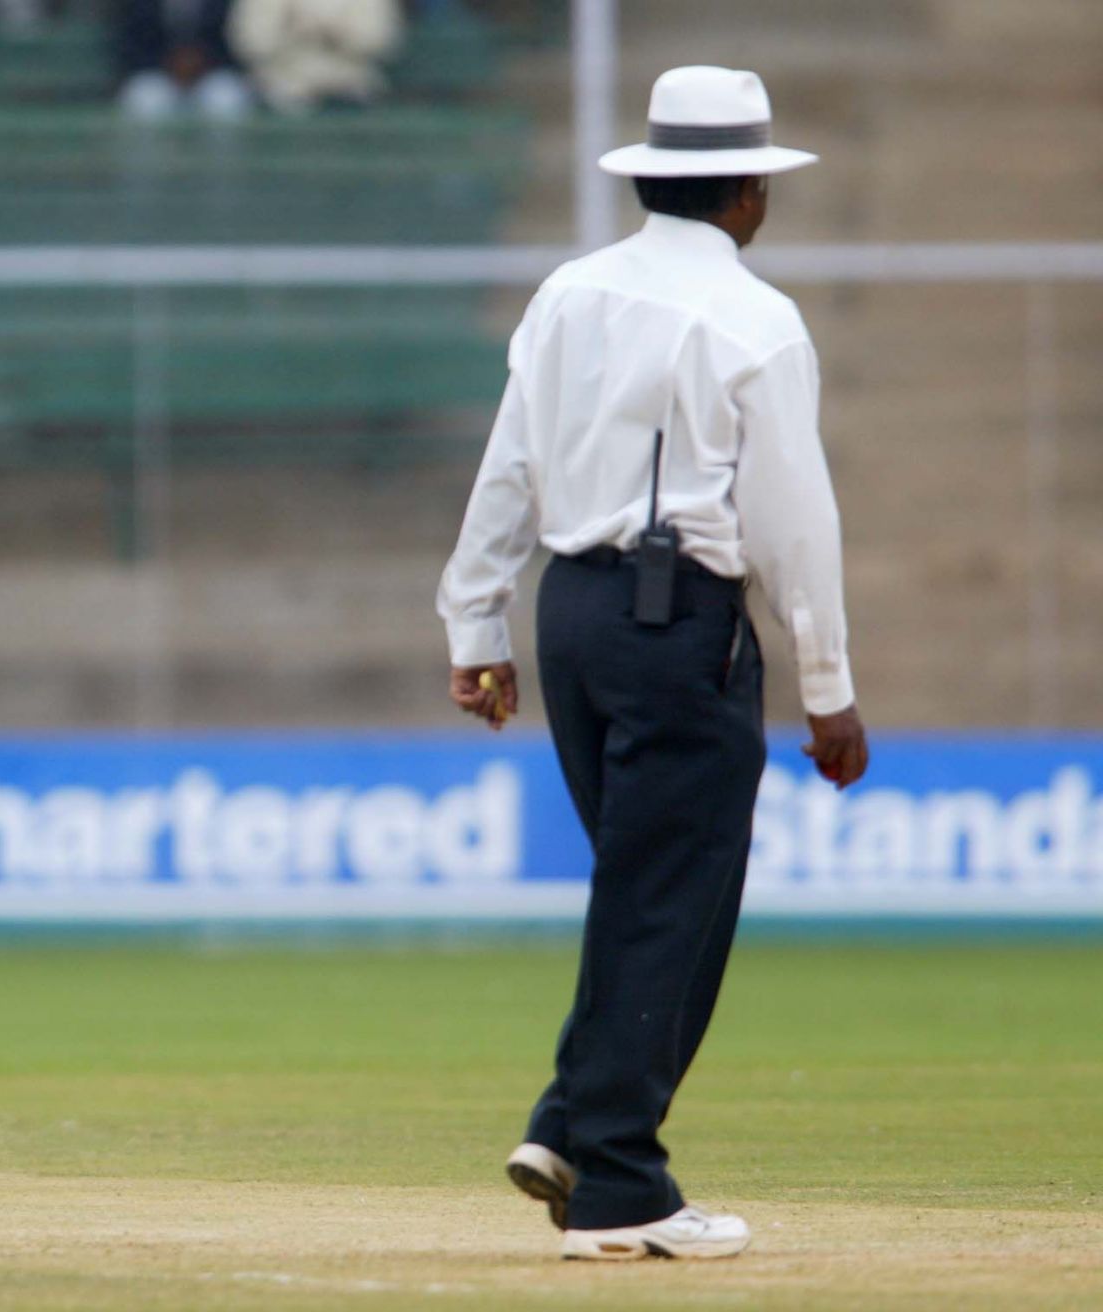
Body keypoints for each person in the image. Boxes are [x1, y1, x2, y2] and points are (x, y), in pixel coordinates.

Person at [435, 66, 868, 1260]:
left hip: (570, 615)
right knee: (670, 895)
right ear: (743, 192)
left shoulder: (569, 292)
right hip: (679, 621)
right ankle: (620, 1183)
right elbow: (794, 521)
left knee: (642, 886)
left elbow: (510, 470)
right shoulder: (755, 320)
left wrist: (477, 629)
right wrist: (827, 690)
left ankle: (575, 1129)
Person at [227, 0, 402, 114]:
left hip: (350, 88)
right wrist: (294, 30)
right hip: (279, 88)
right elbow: (250, 43)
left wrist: (334, 33)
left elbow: (380, 41)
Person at [114, 0, 253, 122]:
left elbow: (238, 41)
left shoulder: (225, 2)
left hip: (213, 72)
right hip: (157, 72)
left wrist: (202, 62)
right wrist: (168, 64)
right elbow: (131, 41)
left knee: (226, 99)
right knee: (145, 100)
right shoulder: (141, 3)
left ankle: (220, 153)